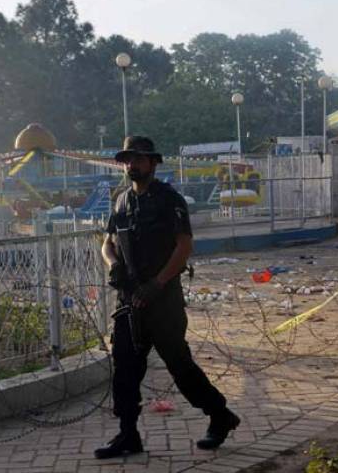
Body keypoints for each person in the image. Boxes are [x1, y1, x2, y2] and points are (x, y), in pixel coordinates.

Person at [95, 136, 239, 459]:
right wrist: (114, 264)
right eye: (128, 160)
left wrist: (158, 284)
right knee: (125, 369)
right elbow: (107, 244)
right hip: (130, 301)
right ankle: (128, 434)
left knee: (180, 367)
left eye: (139, 159)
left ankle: (220, 415)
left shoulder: (169, 200)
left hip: (163, 302)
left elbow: (184, 247)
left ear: (153, 163)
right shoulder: (120, 202)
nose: (132, 165)